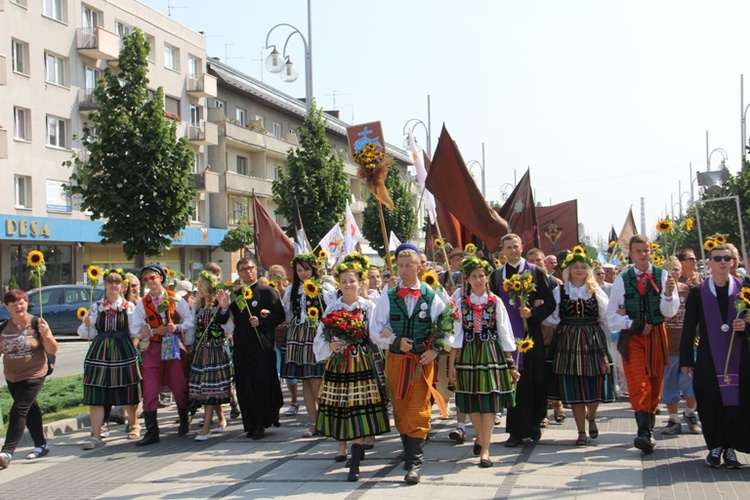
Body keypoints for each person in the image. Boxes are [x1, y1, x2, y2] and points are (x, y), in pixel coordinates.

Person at [371, 243, 451, 484]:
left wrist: (435, 350)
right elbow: (375, 330)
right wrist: (395, 342)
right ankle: (408, 448)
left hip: (421, 361)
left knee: (418, 407)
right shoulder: (388, 296)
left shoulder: (431, 296)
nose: (405, 270)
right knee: (400, 406)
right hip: (396, 361)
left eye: (409, 265)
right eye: (401, 265)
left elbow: (447, 327)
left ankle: (415, 461)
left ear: (419, 266)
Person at [313, 258, 390, 482]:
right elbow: (321, 336)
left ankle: (354, 461)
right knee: (340, 405)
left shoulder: (368, 306)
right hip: (339, 364)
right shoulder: (333, 308)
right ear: (339, 284)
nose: (348, 285)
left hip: (362, 363)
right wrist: (330, 345)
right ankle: (342, 445)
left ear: (360, 283)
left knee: (358, 406)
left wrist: (385, 331)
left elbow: (377, 330)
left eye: (352, 281)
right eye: (344, 281)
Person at [606, 235, 678, 454]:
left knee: (656, 384)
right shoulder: (623, 278)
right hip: (634, 337)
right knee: (639, 383)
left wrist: (667, 294)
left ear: (651, 251)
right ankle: (643, 433)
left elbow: (670, 312)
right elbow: (611, 317)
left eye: (646, 250)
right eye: (638, 251)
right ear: (631, 253)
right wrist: (632, 323)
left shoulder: (663, 274)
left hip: (657, 335)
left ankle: (649, 429)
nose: (643, 255)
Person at [681, 244, 750, 468]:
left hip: (739, 356)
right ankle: (715, 445)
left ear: (733, 262)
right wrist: (686, 360)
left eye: (726, 258)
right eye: (717, 258)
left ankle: (730, 448)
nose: (722, 262)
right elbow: (689, 327)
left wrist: (745, 326)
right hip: (709, 356)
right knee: (710, 398)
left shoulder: (744, 290)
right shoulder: (698, 292)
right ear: (709, 262)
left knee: (735, 402)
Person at [448, 256, 518, 467]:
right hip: (468, 353)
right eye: (473, 276)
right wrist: (451, 364)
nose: (478, 280)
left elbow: (505, 333)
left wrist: (511, 364)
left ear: (487, 278)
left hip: (490, 352)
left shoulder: (496, 301)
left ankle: (485, 451)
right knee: (470, 402)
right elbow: (455, 335)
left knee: (488, 403)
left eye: (481, 275)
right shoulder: (460, 303)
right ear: (467, 279)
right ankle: (480, 436)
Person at [489, 234, 556, 447]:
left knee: (534, 381)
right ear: (503, 250)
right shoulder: (497, 275)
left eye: (516, 247)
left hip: (530, 336)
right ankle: (515, 431)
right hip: (507, 337)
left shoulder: (535, 272)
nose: (513, 251)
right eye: (508, 247)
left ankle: (535, 422)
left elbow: (550, 303)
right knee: (513, 382)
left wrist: (534, 313)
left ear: (522, 247)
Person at [546, 251, 617, 446]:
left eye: (583, 267)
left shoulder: (595, 290)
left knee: (595, 382)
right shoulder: (560, 291)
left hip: (592, 338)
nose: (579, 270)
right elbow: (552, 317)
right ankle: (580, 432)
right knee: (573, 386)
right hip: (568, 338)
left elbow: (605, 316)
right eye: (575, 267)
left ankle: (591, 417)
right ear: (569, 270)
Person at [129, 264, 194, 446]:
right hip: (155, 346)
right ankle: (152, 431)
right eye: (146, 279)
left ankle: (184, 421)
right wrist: (150, 330)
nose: (150, 281)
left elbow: (190, 319)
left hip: (172, 345)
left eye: (153, 277)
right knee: (149, 388)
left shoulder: (175, 299)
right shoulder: (143, 303)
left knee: (178, 385)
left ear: (161, 278)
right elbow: (135, 328)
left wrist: (178, 327)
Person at [78, 269, 142, 448]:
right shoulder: (96, 307)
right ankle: (96, 436)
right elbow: (84, 333)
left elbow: (135, 330)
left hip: (123, 350)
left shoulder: (128, 307)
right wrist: (87, 325)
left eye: (117, 282)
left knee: (127, 388)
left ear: (122, 286)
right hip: (100, 351)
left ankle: (134, 423)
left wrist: (141, 335)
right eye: (110, 282)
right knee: (96, 390)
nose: (113, 285)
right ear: (105, 285)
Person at [0, 289, 58, 468]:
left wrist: (46, 334)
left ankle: (7, 452)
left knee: (18, 410)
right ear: (7, 307)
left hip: (34, 373)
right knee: (30, 409)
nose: (19, 306)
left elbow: (53, 349)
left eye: (22, 302)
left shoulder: (36, 322)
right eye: (14, 303)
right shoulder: (3, 327)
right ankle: (41, 444)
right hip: (12, 376)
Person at [230, 257, 286, 440]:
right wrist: (223, 308)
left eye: (250, 268)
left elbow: (279, 315)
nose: (248, 272)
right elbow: (227, 319)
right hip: (242, 346)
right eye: (243, 269)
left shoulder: (267, 291)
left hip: (262, 345)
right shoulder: (237, 295)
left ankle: (263, 420)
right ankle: (251, 423)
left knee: (261, 383)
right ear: (239, 273)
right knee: (245, 385)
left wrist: (262, 323)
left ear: (256, 269)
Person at [282, 253, 332, 437]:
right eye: (300, 270)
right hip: (297, 335)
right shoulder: (292, 290)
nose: (303, 273)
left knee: (318, 380)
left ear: (314, 268)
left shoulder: (323, 287)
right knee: (305, 381)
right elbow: (287, 313)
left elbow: (330, 309)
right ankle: (313, 422)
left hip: (316, 334)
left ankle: (326, 420)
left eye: (307, 269)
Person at [189, 268, 233, 441]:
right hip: (201, 351)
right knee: (207, 388)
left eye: (201, 286)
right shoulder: (197, 305)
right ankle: (221, 419)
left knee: (209, 389)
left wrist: (224, 309)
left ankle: (206, 428)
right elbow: (193, 328)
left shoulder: (219, 305)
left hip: (216, 350)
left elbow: (229, 329)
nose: (198, 289)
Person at [660, 257, 700, 436]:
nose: (672, 273)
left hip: (688, 347)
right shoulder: (658, 292)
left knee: (692, 384)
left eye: (675, 269)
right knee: (669, 385)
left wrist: (698, 336)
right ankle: (673, 418)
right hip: (668, 347)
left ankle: (690, 413)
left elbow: (699, 317)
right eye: (667, 270)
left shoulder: (689, 291)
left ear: (681, 271)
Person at [527, 247, 565, 425]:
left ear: (545, 262)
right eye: (532, 261)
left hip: (553, 332)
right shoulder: (524, 281)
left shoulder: (554, 282)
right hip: (533, 333)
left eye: (538, 260)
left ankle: (557, 404)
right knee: (538, 374)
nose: (536, 264)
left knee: (553, 370)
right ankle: (542, 413)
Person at [267, 264, 299, 419]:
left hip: (287, 335)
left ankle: (294, 401)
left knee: (289, 373)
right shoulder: (268, 292)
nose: (274, 277)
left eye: (277, 274)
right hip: (273, 338)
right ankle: (276, 403)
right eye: (272, 275)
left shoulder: (288, 292)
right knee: (275, 371)